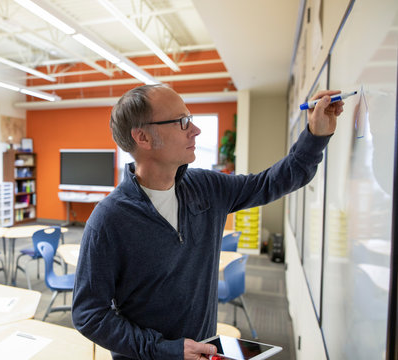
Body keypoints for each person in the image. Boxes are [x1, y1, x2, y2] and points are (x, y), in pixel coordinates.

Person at [72, 84, 344, 360]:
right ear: (143, 137)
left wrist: (316, 134)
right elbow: (89, 314)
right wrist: (165, 349)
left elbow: (274, 181)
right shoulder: (109, 219)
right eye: (182, 122)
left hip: (204, 352)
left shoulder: (207, 187)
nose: (195, 130)